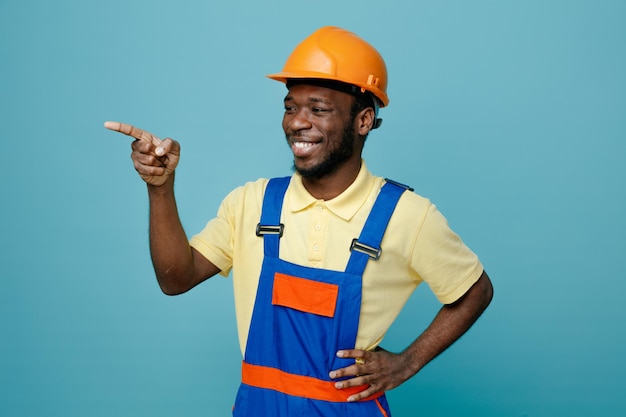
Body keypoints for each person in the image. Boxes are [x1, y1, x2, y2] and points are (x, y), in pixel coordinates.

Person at [105, 26, 493, 417]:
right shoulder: (252, 203)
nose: (296, 123)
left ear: (363, 120)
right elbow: (176, 279)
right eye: (291, 107)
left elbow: (475, 290)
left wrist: (407, 362)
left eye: (318, 109)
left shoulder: (407, 215)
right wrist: (160, 188)